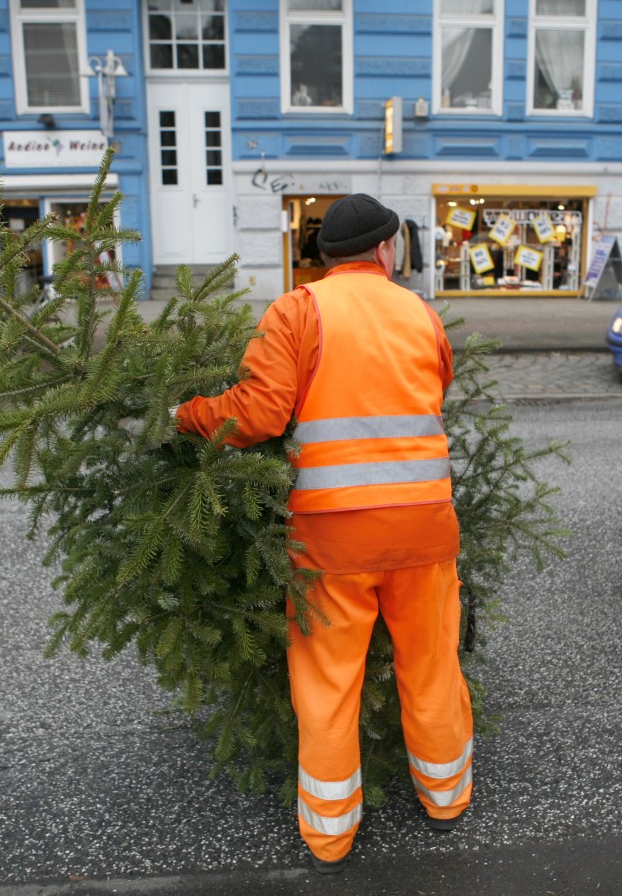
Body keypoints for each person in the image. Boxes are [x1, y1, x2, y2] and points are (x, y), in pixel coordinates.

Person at [171, 194, 474, 872]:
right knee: (431, 668)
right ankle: (447, 800)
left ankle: (331, 836)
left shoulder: (298, 311)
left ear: (325, 258)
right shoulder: (421, 314)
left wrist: (186, 413)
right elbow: (437, 388)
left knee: (329, 683)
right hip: (425, 530)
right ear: (387, 250)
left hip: (331, 539)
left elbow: (257, 414)